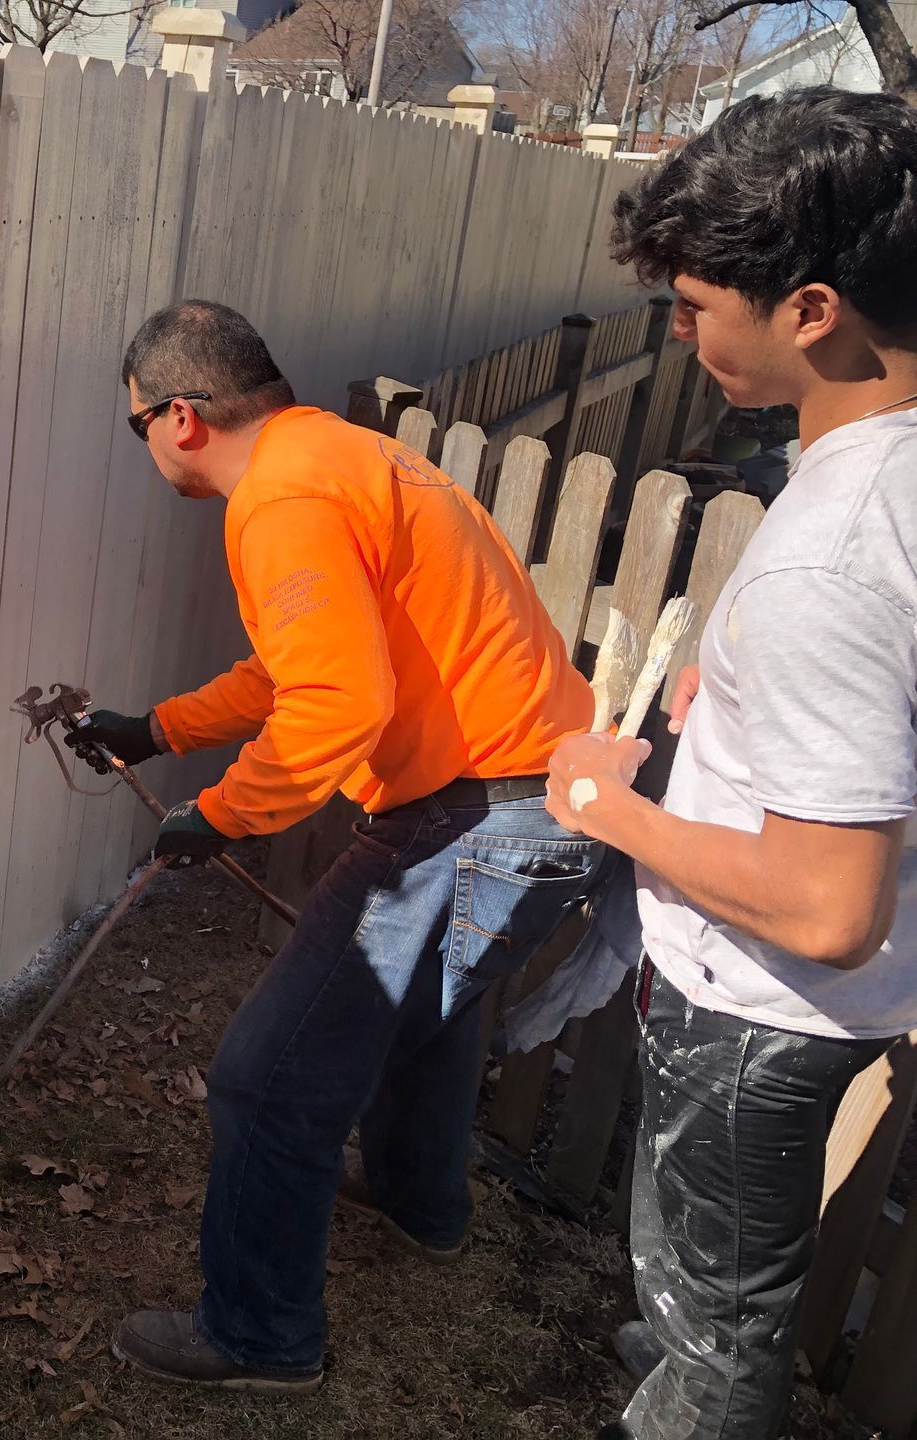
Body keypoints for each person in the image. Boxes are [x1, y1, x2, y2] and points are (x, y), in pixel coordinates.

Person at [75, 299, 605, 1394]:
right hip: (547, 800)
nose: (147, 446)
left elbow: (333, 703)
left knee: (269, 1081)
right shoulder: (343, 458)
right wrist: (160, 729)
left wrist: (216, 816)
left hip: (476, 816)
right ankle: (422, 1202)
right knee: (427, 1014)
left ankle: (259, 1336)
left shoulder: (279, 499)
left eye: (136, 427)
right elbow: (304, 662)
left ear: (179, 417)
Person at [542, 88, 917, 1440]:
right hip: (808, 1013)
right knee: (714, 1303)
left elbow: (827, 906)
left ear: (811, 309)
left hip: (760, 1017)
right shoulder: (883, 470)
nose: (683, 334)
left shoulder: (833, 558)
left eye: (698, 307)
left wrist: (606, 805)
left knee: (716, 1349)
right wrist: (754, 706)